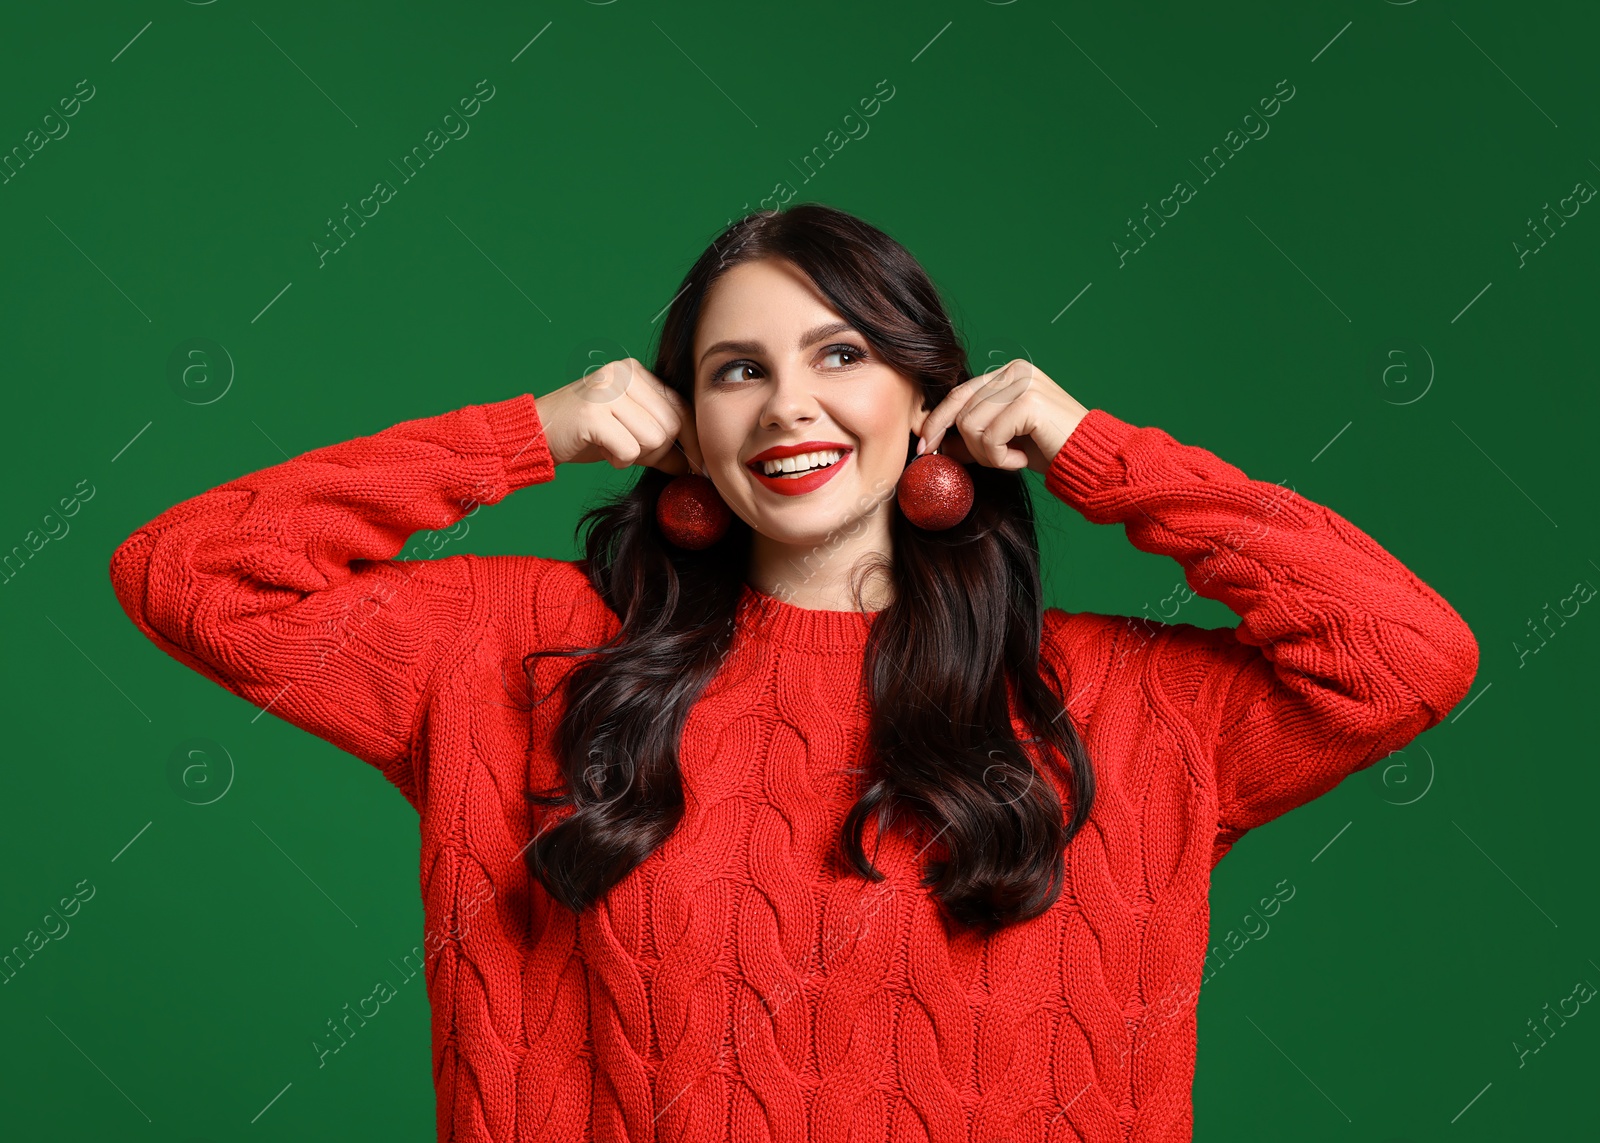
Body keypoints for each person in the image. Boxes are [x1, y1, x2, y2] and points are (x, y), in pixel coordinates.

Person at [108, 203, 1479, 1141]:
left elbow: (1406, 656)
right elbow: (190, 576)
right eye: (735, 373)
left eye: (842, 355)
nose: (789, 407)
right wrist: (527, 433)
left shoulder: (1123, 704)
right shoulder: (520, 661)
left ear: (925, 400)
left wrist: (1097, 450)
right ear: (684, 433)